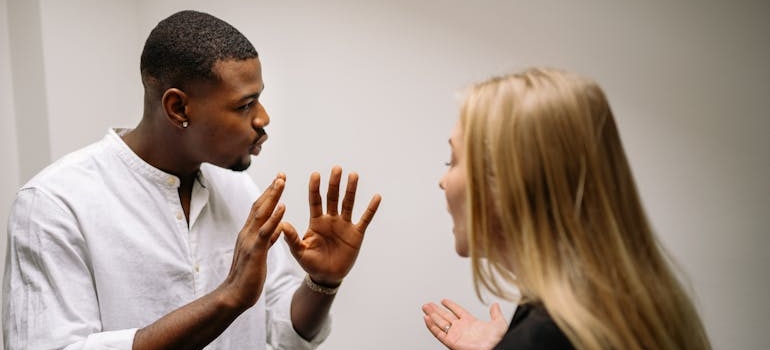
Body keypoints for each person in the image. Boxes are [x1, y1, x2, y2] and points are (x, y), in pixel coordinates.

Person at [2, 10, 381, 350]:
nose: (263, 118)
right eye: (245, 104)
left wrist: (322, 283)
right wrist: (227, 297)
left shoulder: (239, 191)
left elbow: (280, 332)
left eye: (259, 99)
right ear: (178, 107)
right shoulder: (55, 204)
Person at [421, 68, 712, 350]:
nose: (443, 181)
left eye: (453, 160)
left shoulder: (543, 337)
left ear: (508, 184)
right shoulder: (628, 308)